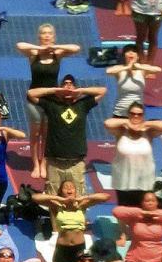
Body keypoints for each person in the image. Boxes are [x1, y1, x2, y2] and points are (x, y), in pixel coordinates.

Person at [16, 27, 81, 180]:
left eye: (50, 33)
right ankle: (35, 164)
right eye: (44, 33)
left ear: (54, 37)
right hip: (34, 98)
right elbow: (19, 46)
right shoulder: (34, 54)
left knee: (46, 134)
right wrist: (41, 48)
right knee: (35, 134)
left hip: (51, 100)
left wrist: (55, 47)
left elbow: (76, 48)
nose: (46, 36)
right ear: (39, 37)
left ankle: (44, 162)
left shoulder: (57, 54)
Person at [26, 76, 107, 196]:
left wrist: (81, 91)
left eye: (71, 84)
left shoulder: (83, 104)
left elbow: (103, 91)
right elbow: (31, 94)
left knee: (77, 198)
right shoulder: (52, 105)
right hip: (54, 163)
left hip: (76, 163)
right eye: (65, 84)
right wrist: (55, 91)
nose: (68, 86)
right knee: (53, 198)